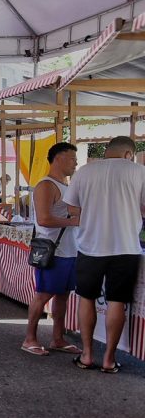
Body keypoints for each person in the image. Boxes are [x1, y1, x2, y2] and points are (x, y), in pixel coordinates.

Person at [64, 136, 145, 373]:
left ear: (107, 151)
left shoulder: (85, 172)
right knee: (117, 302)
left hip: (90, 245)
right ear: (128, 154)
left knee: (86, 298)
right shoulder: (139, 172)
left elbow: (71, 208)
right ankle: (109, 359)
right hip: (126, 247)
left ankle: (87, 355)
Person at [22, 142, 81, 356]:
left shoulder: (67, 185)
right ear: (58, 158)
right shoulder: (46, 185)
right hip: (53, 252)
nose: (76, 162)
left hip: (69, 250)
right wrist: (74, 221)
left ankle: (57, 338)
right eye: (72, 158)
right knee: (43, 295)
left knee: (63, 295)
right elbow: (45, 219)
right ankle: (30, 338)